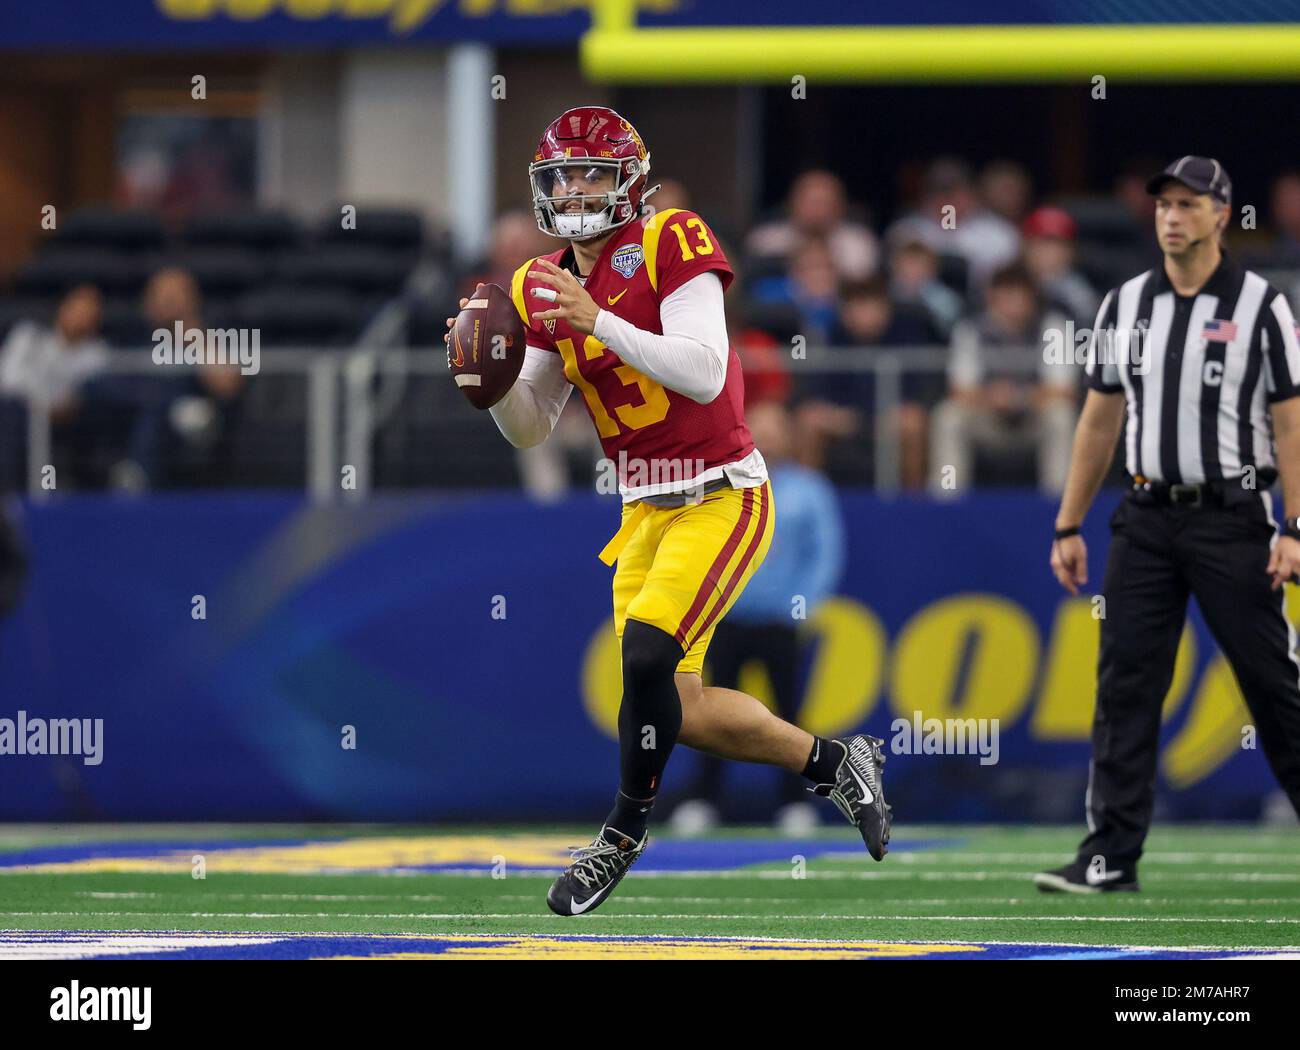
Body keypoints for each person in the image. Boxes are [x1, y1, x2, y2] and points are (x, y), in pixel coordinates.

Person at [444, 107, 891, 916]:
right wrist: (492, 382)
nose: (575, 191)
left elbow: (703, 367)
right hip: (642, 508)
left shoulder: (671, 238)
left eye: (591, 174)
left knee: (647, 660)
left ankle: (618, 838)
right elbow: (533, 425)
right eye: (563, 177)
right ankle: (833, 764)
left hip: (722, 492)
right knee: (675, 706)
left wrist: (597, 320)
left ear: (630, 182)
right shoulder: (535, 284)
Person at [1038, 156, 1300, 893]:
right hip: (1146, 516)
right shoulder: (1124, 304)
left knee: (1271, 685)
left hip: (1232, 519)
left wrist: (1294, 524)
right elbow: (1098, 420)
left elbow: (1291, 425)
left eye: (1189, 204)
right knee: (1125, 684)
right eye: (1164, 204)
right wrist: (1069, 523)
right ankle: (1110, 854)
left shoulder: (1261, 306)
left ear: (1223, 213)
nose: (1172, 216)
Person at [670, 400, 846, 834]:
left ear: (789, 436)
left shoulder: (808, 488)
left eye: (774, 428)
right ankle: (704, 800)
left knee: (789, 713)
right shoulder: (724, 483)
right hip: (726, 618)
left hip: (779, 622)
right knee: (707, 713)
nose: (766, 436)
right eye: (758, 427)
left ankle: (795, 803)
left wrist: (801, 603)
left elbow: (825, 552)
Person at [929, 262, 1076, 493]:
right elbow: (959, 389)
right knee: (949, 416)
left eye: (1021, 295)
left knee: (1061, 415)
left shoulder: (1052, 327)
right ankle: (948, 499)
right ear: (992, 296)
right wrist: (992, 397)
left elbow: (1063, 389)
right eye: (1007, 294)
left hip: (1033, 419)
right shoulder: (972, 330)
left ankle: (1058, 502)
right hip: (987, 419)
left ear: (1032, 297)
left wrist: (1020, 397)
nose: (1014, 303)